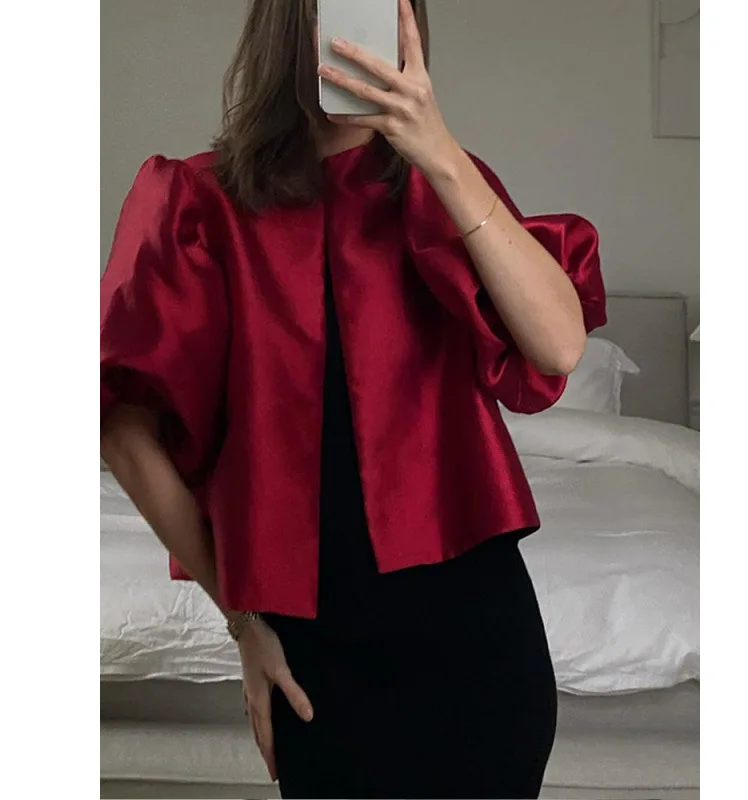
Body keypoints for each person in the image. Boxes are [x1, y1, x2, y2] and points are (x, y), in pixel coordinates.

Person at [100, 0, 606, 796]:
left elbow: (559, 345)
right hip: (313, 657)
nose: (354, 37)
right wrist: (243, 623)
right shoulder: (197, 202)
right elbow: (124, 432)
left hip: (479, 641)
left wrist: (438, 152)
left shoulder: (448, 185)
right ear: (287, 28)